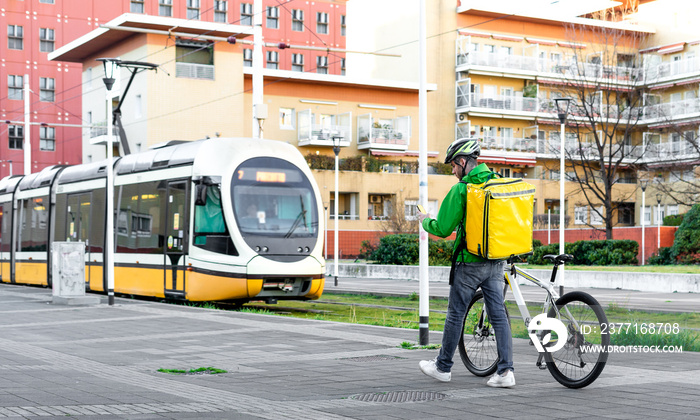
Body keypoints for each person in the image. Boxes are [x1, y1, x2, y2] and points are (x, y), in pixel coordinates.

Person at [417, 137, 515, 388]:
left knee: (455, 315)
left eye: (452, 166)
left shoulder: (462, 189)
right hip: (495, 260)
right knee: (499, 316)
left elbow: (442, 228)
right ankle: (505, 373)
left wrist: (424, 220)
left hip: (468, 262)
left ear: (462, 161)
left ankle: (442, 367)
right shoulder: (498, 183)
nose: (452, 171)